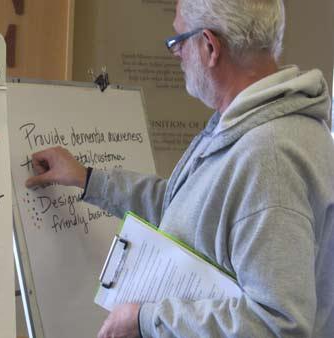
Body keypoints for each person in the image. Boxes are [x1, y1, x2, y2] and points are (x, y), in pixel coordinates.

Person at [25, 0, 334, 337]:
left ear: (210, 46)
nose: (176, 53)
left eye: (179, 41)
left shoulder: (269, 156)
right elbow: (188, 210)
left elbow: (278, 325)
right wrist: (88, 179)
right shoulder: (245, 128)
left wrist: (146, 321)